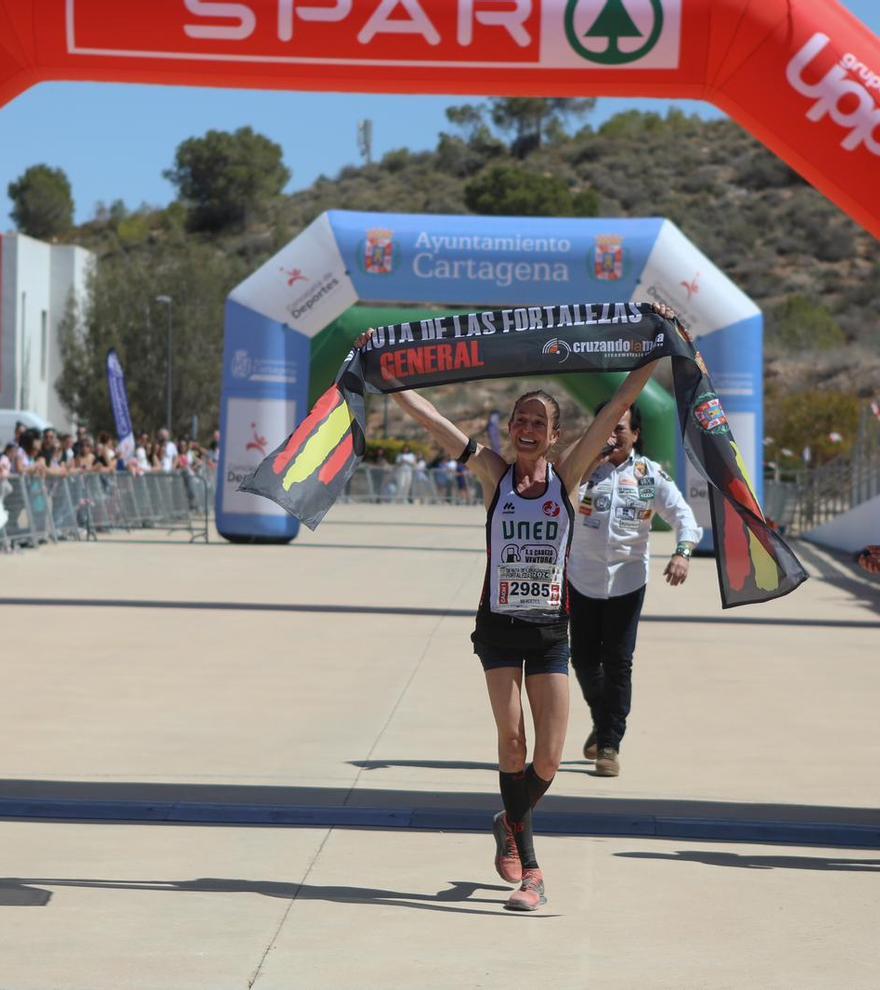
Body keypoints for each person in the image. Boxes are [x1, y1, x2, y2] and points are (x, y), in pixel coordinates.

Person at [354, 309, 667, 912]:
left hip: (551, 631)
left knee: (549, 756)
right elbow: (436, 420)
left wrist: (658, 350)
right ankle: (533, 871)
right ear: (510, 431)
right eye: (519, 420)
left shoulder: (568, 477)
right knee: (513, 743)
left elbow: (613, 408)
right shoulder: (492, 474)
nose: (526, 428)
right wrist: (381, 371)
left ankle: (510, 818)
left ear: (553, 436)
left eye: (538, 423)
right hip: (498, 630)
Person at [568, 402, 703, 778]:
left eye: (620, 429)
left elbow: (684, 517)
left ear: (636, 434)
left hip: (628, 580)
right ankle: (603, 719)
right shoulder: (578, 472)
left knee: (618, 663)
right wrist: (584, 467)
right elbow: (551, 505)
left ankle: (610, 743)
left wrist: (682, 552)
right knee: (582, 660)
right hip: (582, 578)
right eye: (606, 427)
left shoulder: (650, 475)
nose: (612, 435)